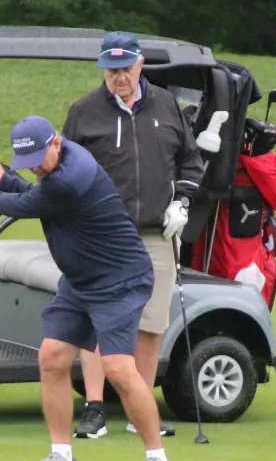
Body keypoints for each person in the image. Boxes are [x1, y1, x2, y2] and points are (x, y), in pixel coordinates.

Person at [0, 116, 175, 461]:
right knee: (51, 355)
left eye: (38, 157)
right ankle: (62, 458)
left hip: (120, 281)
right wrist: (2, 178)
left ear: (55, 143)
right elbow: (37, 197)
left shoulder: (73, 174)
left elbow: (24, 205)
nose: (34, 167)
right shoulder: (57, 171)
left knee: (117, 368)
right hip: (81, 281)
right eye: (27, 162)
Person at [60, 31, 206, 439]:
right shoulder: (85, 112)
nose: (118, 78)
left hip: (156, 234)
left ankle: (139, 409)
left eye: (125, 69)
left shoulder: (166, 106)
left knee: (150, 324)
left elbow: (190, 165)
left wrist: (182, 203)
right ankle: (93, 408)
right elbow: (64, 171)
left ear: (141, 65)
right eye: (111, 70)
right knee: (96, 323)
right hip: (102, 237)